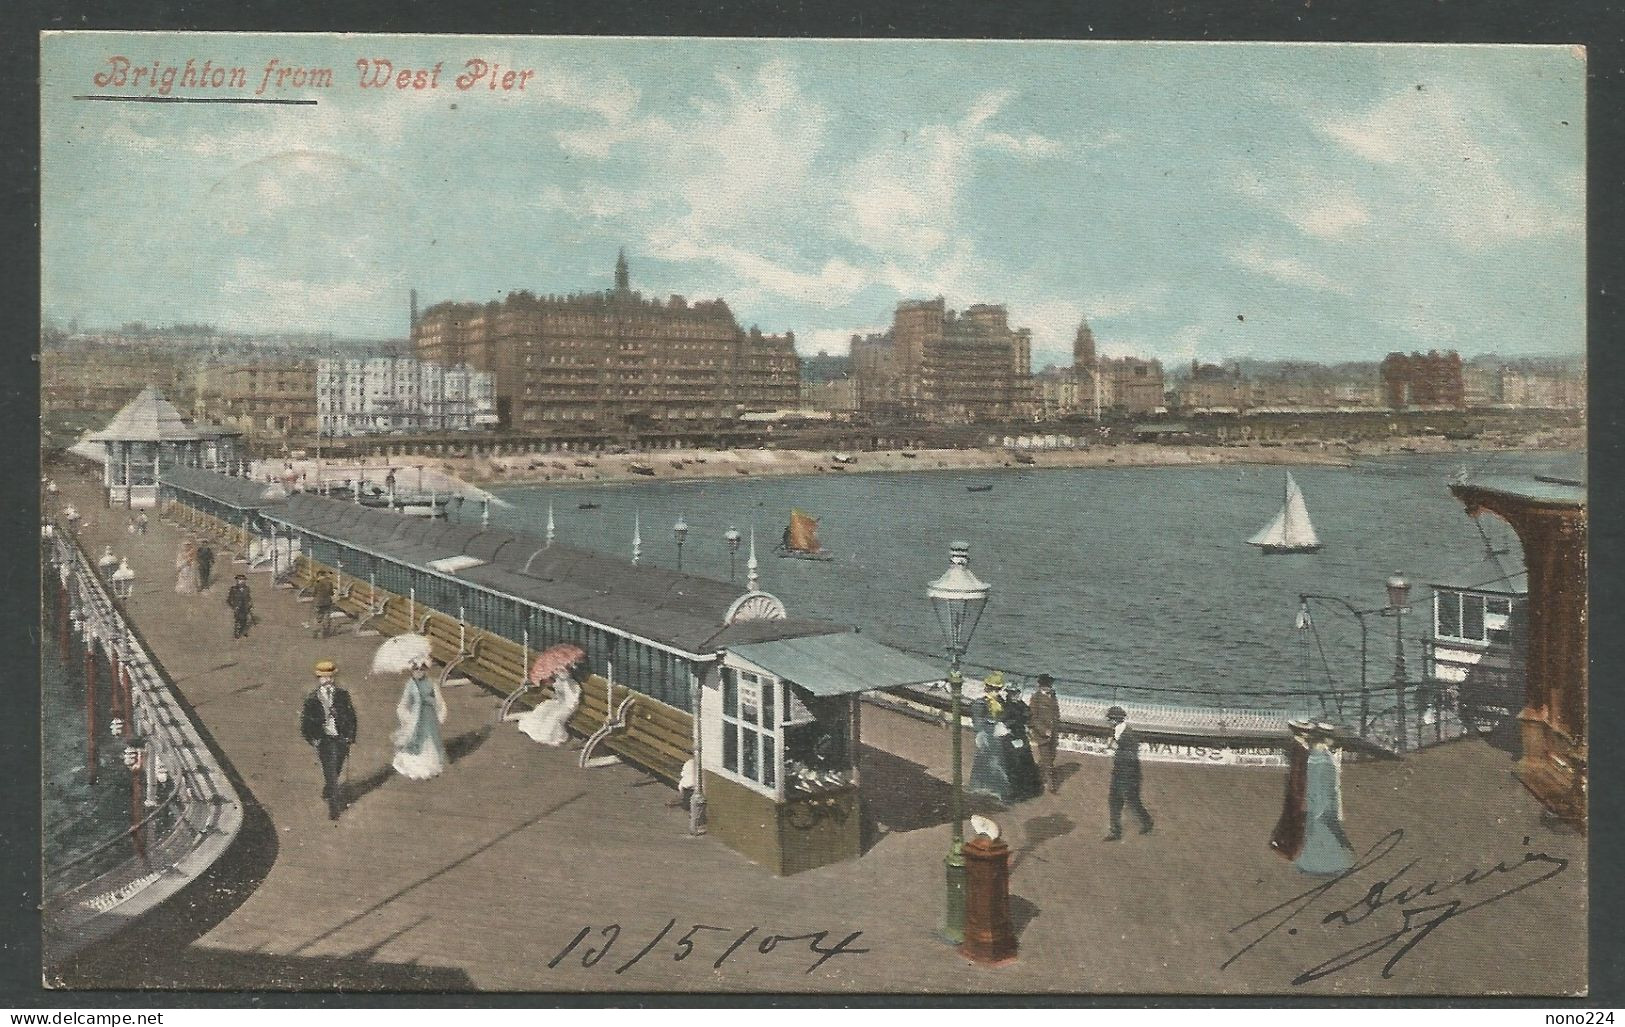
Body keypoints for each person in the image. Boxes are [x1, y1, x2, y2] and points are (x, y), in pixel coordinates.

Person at [301, 660, 358, 820]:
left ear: (333, 678)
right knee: (330, 771)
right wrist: (313, 739)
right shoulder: (312, 698)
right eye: (323, 678)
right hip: (324, 739)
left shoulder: (342, 695)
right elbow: (305, 723)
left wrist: (350, 736)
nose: (326, 681)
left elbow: (351, 716)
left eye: (329, 677)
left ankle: (328, 788)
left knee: (337, 767)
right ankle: (334, 807)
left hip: (340, 737)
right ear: (319, 679)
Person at [1295, 723, 1355, 876]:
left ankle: (1308, 865)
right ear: (1325, 739)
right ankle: (1331, 866)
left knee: (1313, 834)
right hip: (1322, 803)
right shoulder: (1322, 758)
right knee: (1324, 834)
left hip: (1316, 801)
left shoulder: (1316, 756)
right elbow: (1322, 784)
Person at [391, 657, 448, 780]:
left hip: (429, 714)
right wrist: (407, 717)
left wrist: (435, 706)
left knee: (430, 739)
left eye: (422, 670)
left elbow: (439, 701)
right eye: (416, 670)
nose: (418, 672)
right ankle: (417, 767)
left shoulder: (431, 683)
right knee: (416, 739)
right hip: (416, 715)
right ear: (412, 671)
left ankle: (431, 766)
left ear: (426, 670)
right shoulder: (410, 685)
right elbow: (404, 702)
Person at [1104, 705, 1154, 841]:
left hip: (1129, 775)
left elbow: (1131, 756)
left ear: (1114, 720)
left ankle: (1147, 821)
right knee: (1114, 800)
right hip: (1119, 773)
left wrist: (1116, 748)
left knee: (1132, 800)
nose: (1108, 722)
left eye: (1109, 719)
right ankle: (1115, 831)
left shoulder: (1128, 734)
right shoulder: (1117, 731)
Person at [1270, 719, 1313, 861]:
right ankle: (1301, 744)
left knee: (1297, 778)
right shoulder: (1293, 837)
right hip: (1296, 805)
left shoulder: (1294, 835)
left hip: (1295, 808)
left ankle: (1301, 745)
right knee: (1298, 779)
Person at [508, 667, 581, 746]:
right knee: (564, 701)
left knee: (566, 702)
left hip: (558, 707)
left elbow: (561, 731)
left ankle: (562, 676)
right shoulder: (535, 729)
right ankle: (562, 676)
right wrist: (507, 717)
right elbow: (524, 716)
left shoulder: (550, 732)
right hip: (554, 707)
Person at [967, 673, 1012, 800]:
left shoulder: (1001, 702)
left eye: (998, 689)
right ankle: (977, 787)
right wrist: (983, 732)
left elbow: (1007, 716)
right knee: (983, 762)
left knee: (998, 761)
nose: (995, 692)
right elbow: (978, 721)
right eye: (993, 689)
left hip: (998, 737)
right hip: (986, 737)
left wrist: (1004, 726)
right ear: (987, 688)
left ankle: (996, 789)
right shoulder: (980, 703)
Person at [1000, 683, 1044, 801]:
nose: (1014, 696)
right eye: (1012, 693)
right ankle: (1017, 790)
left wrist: (1021, 714)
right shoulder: (1006, 706)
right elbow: (1004, 721)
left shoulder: (1019, 704)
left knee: (1024, 761)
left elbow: (1029, 714)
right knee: (1015, 763)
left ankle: (1027, 790)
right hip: (1011, 735)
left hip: (1020, 735)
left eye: (1016, 693)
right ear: (1008, 694)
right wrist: (1017, 720)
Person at [1028, 673, 1061, 793]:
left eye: (1049, 685)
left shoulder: (1053, 696)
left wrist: (1056, 728)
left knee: (1051, 756)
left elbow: (1056, 713)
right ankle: (1051, 785)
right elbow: (1032, 718)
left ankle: (1038, 777)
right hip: (1042, 734)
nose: (1048, 687)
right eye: (1046, 685)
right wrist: (1043, 730)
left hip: (1053, 733)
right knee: (1047, 759)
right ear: (1040, 686)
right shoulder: (1035, 698)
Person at [226, 573, 253, 638]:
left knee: (244, 620)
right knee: (238, 620)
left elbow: (249, 597)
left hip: (245, 607)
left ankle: (243, 631)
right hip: (238, 607)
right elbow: (229, 600)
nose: (241, 581)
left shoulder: (247, 589)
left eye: (243, 580)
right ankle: (237, 632)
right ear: (237, 581)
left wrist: (250, 604)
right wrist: (233, 606)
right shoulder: (233, 589)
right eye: (239, 580)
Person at [311, 573, 335, 638]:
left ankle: (315, 631)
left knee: (318, 617)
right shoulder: (329, 583)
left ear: (319, 576)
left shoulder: (317, 583)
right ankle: (324, 633)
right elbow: (331, 593)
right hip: (327, 602)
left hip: (318, 603)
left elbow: (313, 593)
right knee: (326, 617)